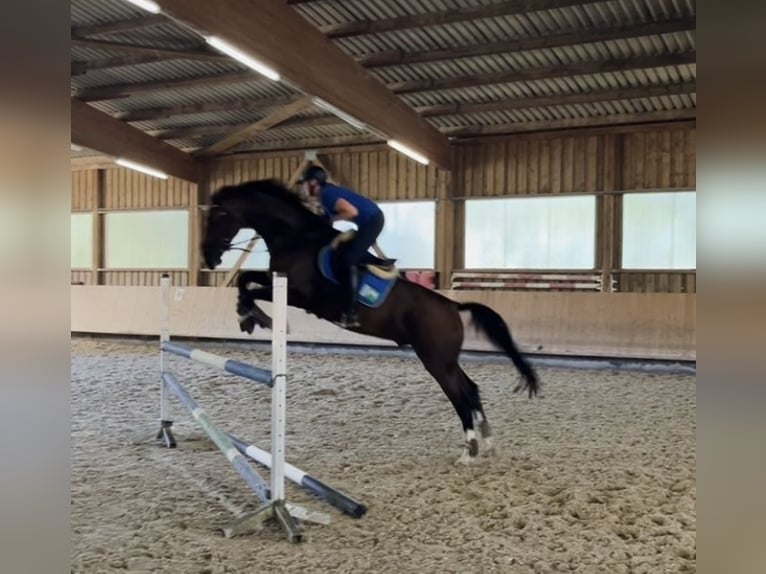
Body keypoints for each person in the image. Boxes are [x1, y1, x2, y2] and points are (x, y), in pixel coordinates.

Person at [299, 165, 384, 328]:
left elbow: (351, 212)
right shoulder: (326, 194)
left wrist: (332, 219)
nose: (303, 187)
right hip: (367, 222)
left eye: (305, 183)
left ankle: (351, 313)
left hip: (372, 221)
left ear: (314, 183)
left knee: (349, 260)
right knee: (342, 251)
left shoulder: (327, 194)